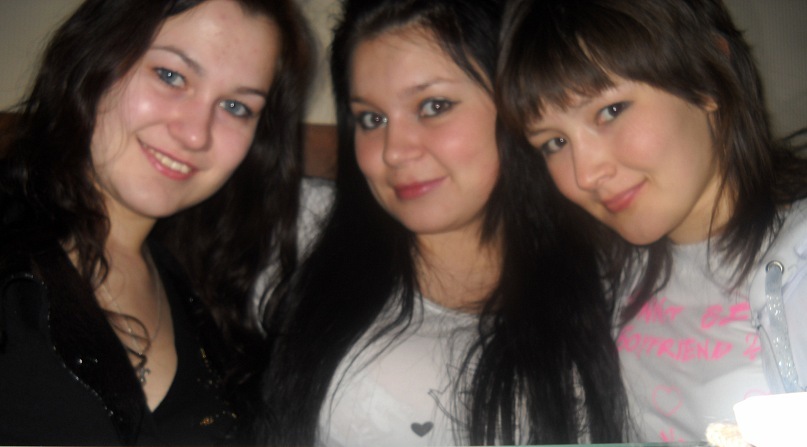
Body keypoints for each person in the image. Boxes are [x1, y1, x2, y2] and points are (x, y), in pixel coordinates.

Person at [258, 0, 629, 445]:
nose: (394, 151)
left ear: (514, 103)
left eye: (434, 106)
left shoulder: (618, 279)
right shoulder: (300, 234)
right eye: (372, 119)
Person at [0, 0, 313, 444]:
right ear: (94, 57)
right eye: (170, 75)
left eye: (236, 106)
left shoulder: (204, 292)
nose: (195, 133)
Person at [497, 0, 807, 442]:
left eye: (610, 111)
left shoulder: (796, 271)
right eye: (555, 142)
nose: (585, 174)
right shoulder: (606, 280)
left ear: (706, 76)